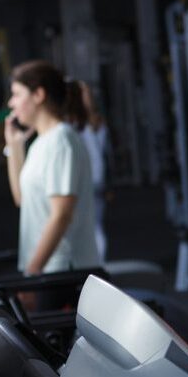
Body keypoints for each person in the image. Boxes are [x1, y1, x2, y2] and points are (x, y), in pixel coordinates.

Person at [4, 61, 100, 293]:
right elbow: (22, 199)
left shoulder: (61, 141)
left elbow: (61, 215)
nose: (11, 103)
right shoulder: (41, 143)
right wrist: (14, 147)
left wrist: (32, 273)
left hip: (62, 271)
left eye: (17, 94)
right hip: (48, 270)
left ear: (38, 94)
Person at [77, 81, 110, 261]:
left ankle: (97, 264)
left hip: (87, 180)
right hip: (97, 178)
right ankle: (98, 262)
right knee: (95, 225)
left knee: (92, 227)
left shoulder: (77, 125)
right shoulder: (97, 122)